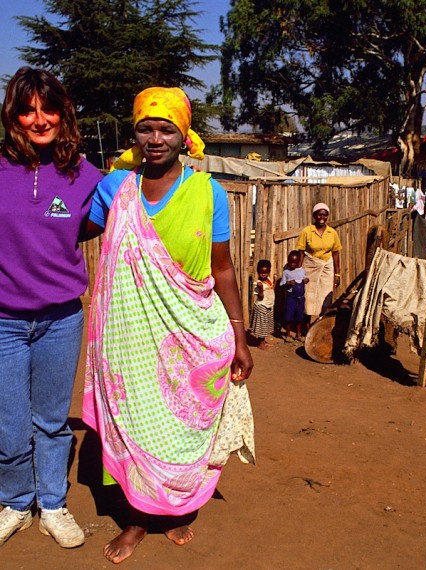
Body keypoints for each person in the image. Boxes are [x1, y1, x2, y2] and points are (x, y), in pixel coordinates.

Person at [81, 86, 254, 564]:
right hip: (130, 336)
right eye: (146, 128)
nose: (155, 138)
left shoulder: (207, 191)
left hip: (192, 333)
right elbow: (72, 231)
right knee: (137, 426)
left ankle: (177, 505)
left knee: (182, 428)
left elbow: (223, 269)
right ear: (134, 132)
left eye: (166, 129)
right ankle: (139, 518)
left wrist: (239, 336)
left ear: (184, 136)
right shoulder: (116, 188)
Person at [0, 67, 103, 548]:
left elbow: (115, 219)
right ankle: (17, 503)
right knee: (9, 421)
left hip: (62, 319)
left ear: (64, 113)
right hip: (4, 322)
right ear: (13, 116)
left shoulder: (85, 175)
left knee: (52, 420)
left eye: (48, 108)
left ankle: (53, 505)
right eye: (27, 109)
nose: (39, 119)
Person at [296, 203, 342, 322]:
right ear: (314, 216)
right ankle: (305, 325)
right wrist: (298, 272)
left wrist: (337, 274)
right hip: (310, 266)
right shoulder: (307, 231)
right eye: (319, 215)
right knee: (308, 296)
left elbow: (336, 254)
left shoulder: (332, 233)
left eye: (325, 215)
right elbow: (301, 253)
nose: (322, 217)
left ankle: (321, 323)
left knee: (326, 295)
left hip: (327, 266)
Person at [280, 250, 309, 342]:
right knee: (289, 317)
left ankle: (298, 334)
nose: (292, 264)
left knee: (299, 317)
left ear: (298, 262)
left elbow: (305, 278)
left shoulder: (301, 271)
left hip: (300, 298)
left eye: (295, 262)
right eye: (291, 262)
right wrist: (288, 283)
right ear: (288, 261)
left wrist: (306, 280)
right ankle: (288, 334)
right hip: (291, 298)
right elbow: (282, 285)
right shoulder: (286, 272)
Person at [250, 259, 275, 350]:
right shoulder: (258, 283)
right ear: (258, 272)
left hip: (268, 306)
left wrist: (275, 281)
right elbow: (260, 297)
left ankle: (263, 341)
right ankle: (260, 343)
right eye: (261, 272)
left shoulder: (268, 280)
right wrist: (260, 288)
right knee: (261, 326)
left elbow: (271, 288)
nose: (263, 274)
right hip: (261, 307)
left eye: (265, 272)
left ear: (269, 272)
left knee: (266, 326)